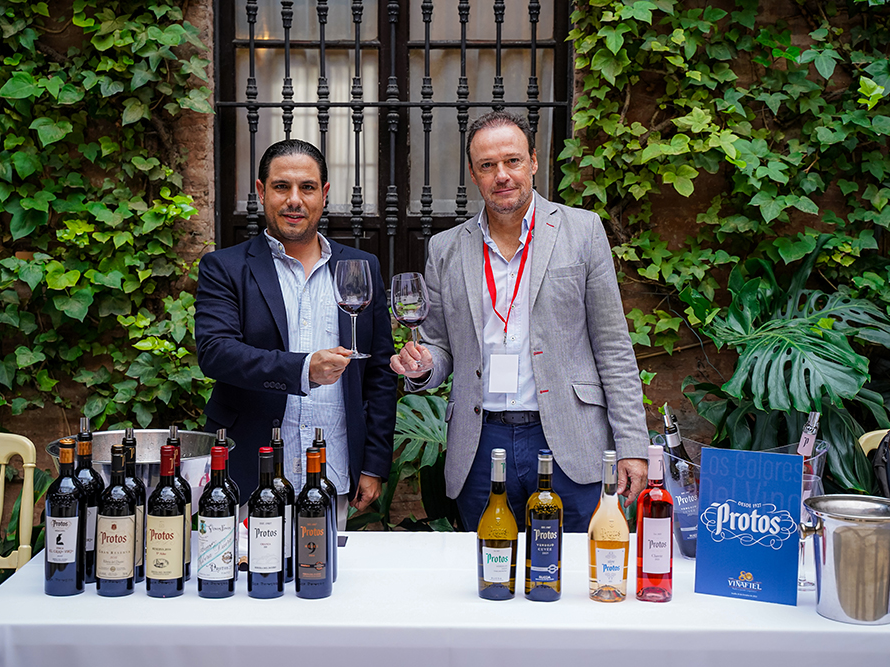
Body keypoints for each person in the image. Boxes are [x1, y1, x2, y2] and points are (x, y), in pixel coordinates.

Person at [390, 111, 649, 532]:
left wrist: (632, 445)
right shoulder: (445, 248)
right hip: (481, 442)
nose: (502, 175)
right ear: (473, 174)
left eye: (512, 161)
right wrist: (422, 365)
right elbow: (439, 346)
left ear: (533, 161)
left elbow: (613, 347)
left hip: (567, 437)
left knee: (572, 568)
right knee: (491, 565)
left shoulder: (582, 231)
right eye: (487, 165)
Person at [195, 139, 396, 527]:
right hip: (249, 474)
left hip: (332, 472)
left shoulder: (361, 267)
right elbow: (216, 353)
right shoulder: (225, 268)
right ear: (261, 191)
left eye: (307, 187)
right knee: (248, 567)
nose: (294, 200)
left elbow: (380, 375)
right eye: (281, 187)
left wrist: (373, 464)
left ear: (324, 193)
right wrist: (304, 370)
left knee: (323, 566)